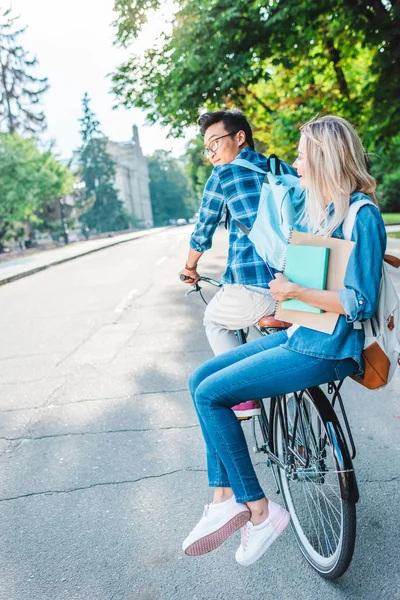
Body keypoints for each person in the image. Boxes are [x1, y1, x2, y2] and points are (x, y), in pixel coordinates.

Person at [182, 115, 386, 566]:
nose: (294, 162)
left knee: (214, 396)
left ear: (323, 157)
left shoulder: (361, 215)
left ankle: (257, 511)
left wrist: (295, 291)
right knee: (201, 378)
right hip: (301, 331)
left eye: (301, 155)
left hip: (326, 349)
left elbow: (360, 302)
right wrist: (287, 285)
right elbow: (309, 273)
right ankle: (221, 501)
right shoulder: (326, 211)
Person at [179, 109, 297, 418]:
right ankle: (299, 428)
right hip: (298, 284)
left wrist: (190, 268)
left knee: (214, 321)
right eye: (208, 147)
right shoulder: (280, 167)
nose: (211, 154)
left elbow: (204, 229)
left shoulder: (224, 175)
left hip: (254, 286)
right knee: (278, 352)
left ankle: (242, 397)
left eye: (215, 143)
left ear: (239, 137)